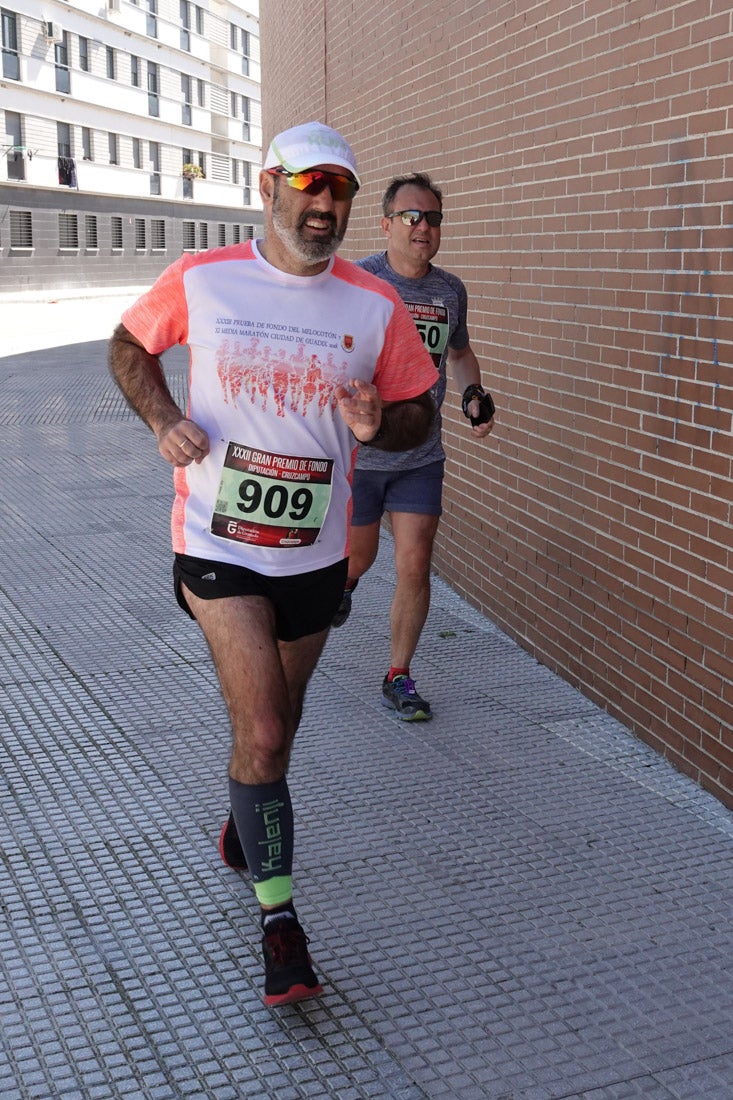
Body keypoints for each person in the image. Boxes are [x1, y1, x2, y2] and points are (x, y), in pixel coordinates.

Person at [107, 122, 438, 1007]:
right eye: (309, 185)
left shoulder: (375, 306)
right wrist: (162, 419)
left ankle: (244, 820)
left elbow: (419, 415)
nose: (324, 205)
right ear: (269, 186)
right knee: (260, 729)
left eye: (339, 192)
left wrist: (378, 425)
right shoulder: (203, 279)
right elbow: (128, 346)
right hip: (215, 549)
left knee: (277, 729)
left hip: (315, 558)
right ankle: (279, 922)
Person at [332, 172, 495, 722]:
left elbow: (461, 354)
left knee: (415, 563)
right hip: (362, 453)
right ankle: (345, 584)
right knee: (360, 556)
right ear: (386, 224)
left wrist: (473, 392)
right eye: (411, 217)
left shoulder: (450, 291)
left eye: (433, 218)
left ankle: (398, 674)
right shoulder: (356, 282)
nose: (424, 227)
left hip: (421, 455)